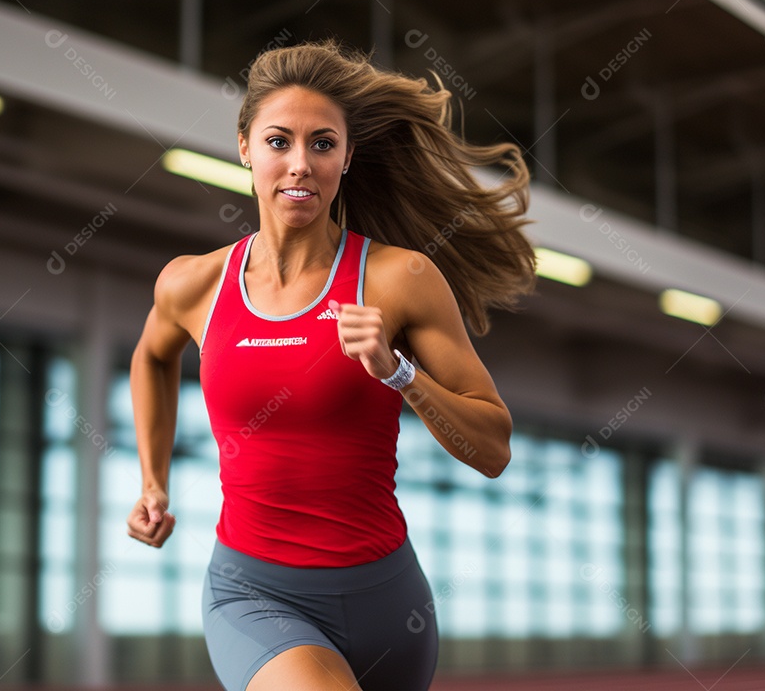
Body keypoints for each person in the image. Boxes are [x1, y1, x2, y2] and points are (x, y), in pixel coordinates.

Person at [126, 39, 535, 691]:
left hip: (389, 606)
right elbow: (152, 357)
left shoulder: (400, 279)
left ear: (346, 158)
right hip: (253, 594)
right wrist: (153, 482)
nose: (300, 164)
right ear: (244, 146)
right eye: (278, 141)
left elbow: (493, 450)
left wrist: (399, 373)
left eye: (322, 144)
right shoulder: (193, 284)